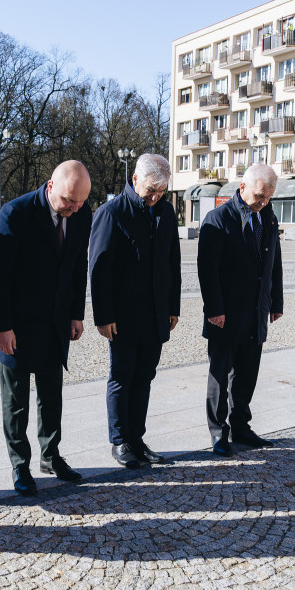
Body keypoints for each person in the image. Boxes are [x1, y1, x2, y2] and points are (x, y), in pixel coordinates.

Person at [0, 160, 92, 495]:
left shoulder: (81, 214)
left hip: (56, 323)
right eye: (67, 201)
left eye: (79, 203)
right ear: (50, 187)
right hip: (17, 324)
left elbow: (77, 265)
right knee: (16, 401)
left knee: (51, 395)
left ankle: (51, 454)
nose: (73, 209)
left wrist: (77, 313)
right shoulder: (15, 213)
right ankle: (20, 464)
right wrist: (2, 326)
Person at [89, 154, 181, 469]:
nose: (155, 197)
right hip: (123, 316)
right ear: (135, 180)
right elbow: (98, 271)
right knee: (122, 377)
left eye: (161, 192)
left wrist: (173, 306)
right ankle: (120, 441)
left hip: (156, 313)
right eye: (151, 190)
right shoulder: (111, 213)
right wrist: (103, 316)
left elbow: (173, 262)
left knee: (145, 377)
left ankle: (137, 439)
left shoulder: (166, 211)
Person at [198, 163, 283, 458]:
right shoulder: (219, 219)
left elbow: (275, 264)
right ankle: (218, 432)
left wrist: (276, 302)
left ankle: (241, 427)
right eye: (260, 195)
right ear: (243, 187)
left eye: (268, 197)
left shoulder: (268, 219)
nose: (263, 202)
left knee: (247, 373)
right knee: (220, 376)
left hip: (256, 309)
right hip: (226, 313)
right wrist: (214, 309)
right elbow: (207, 270)